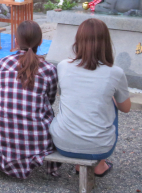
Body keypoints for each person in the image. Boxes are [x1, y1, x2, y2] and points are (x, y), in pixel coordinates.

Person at [50, 18, 131, 177]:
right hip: (99, 148)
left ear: (78, 41)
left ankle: (80, 164)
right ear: (106, 43)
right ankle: (99, 165)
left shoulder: (63, 65)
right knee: (112, 105)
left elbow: (64, 93)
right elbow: (126, 108)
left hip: (62, 142)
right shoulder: (115, 72)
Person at [0, 20, 59, 179]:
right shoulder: (49, 69)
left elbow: (1, 90)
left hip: (3, 135)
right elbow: (51, 99)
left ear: (16, 41)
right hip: (37, 140)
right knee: (50, 113)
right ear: (41, 42)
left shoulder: (3, 63)